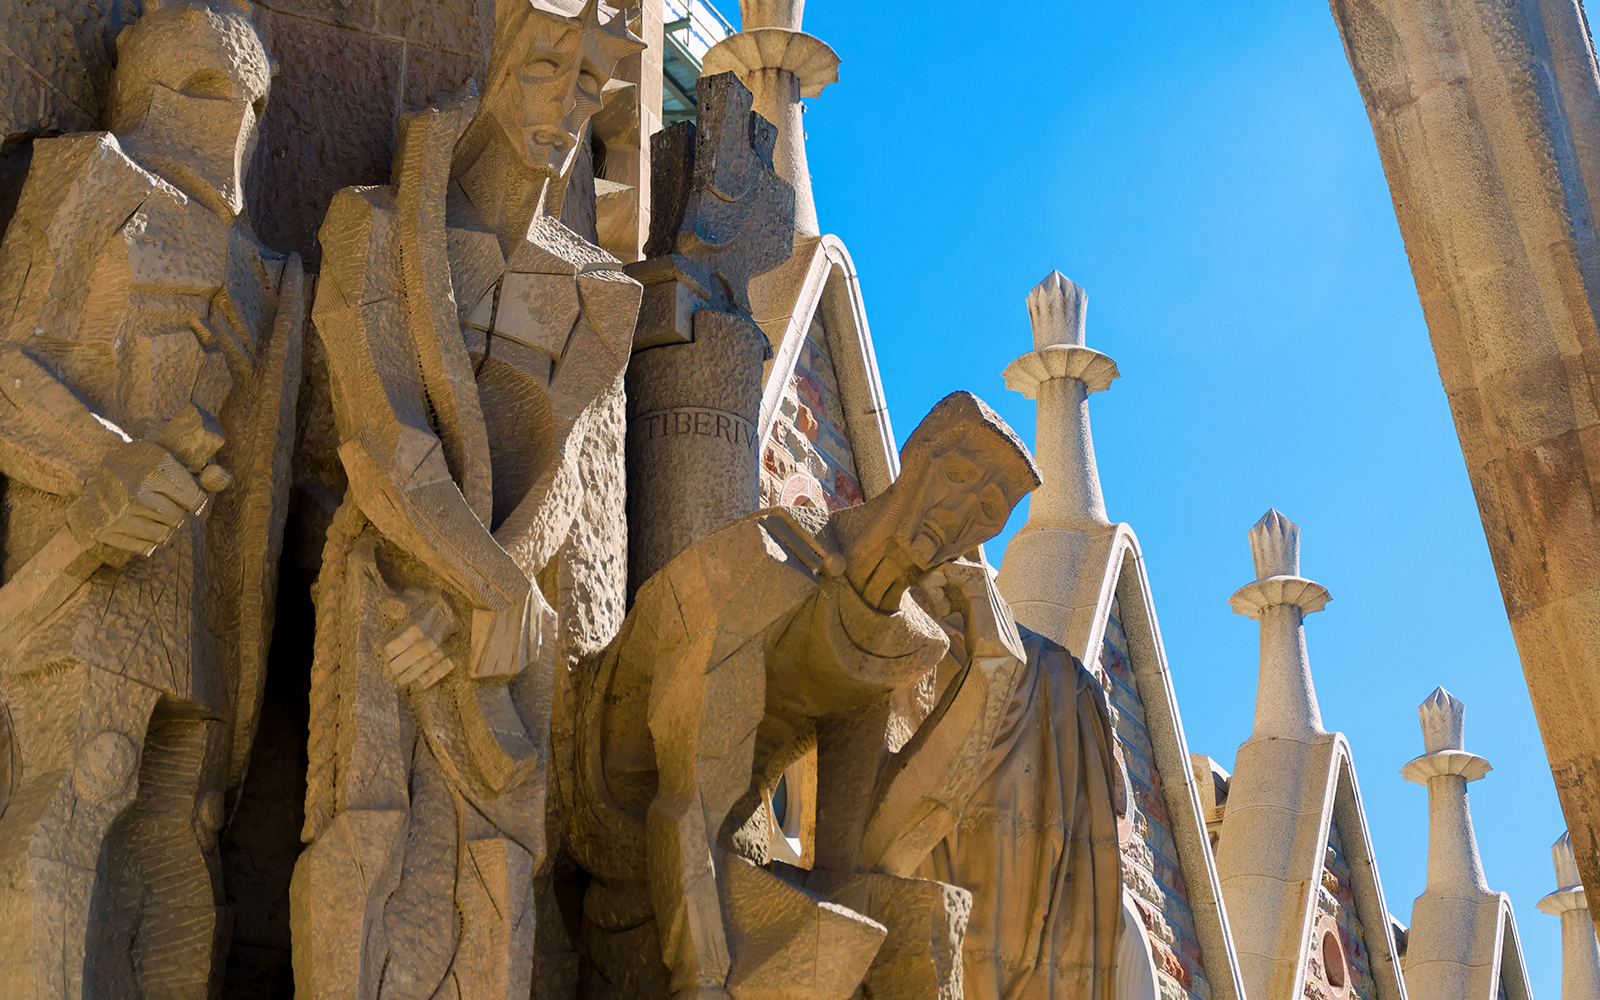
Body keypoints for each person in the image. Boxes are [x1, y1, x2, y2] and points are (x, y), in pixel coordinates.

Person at [290, 1, 645, 995]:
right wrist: (471, 595)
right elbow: (387, 444)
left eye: (587, 81)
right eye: (542, 66)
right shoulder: (379, 224)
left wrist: (492, 601)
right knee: (369, 838)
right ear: (490, 72)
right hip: (393, 590)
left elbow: (559, 471)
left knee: (495, 862)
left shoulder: (599, 293)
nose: (566, 103)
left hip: (504, 626)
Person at [0, 1, 304, 996]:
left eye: (252, 101)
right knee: (78, 791)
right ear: (150, 87)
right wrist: (101, 463)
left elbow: (256, 486)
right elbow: (11, 365)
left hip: (195, 595)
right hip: (84, 568)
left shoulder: (263, 274)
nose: (233, 122)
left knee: (179, 838)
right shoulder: (94, 178)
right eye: (209, 89)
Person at [569, 391, 1043, 999]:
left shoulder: (897, 640)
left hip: (725, 844)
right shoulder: (772, 563)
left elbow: (865, 854)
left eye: (988, 509)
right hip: (625, 824)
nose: (960, 515)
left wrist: (993, 675)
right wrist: (703, 981)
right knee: (821, 951)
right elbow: (684, 801)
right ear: (915, 457)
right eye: (956, 477)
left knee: (915, 933)